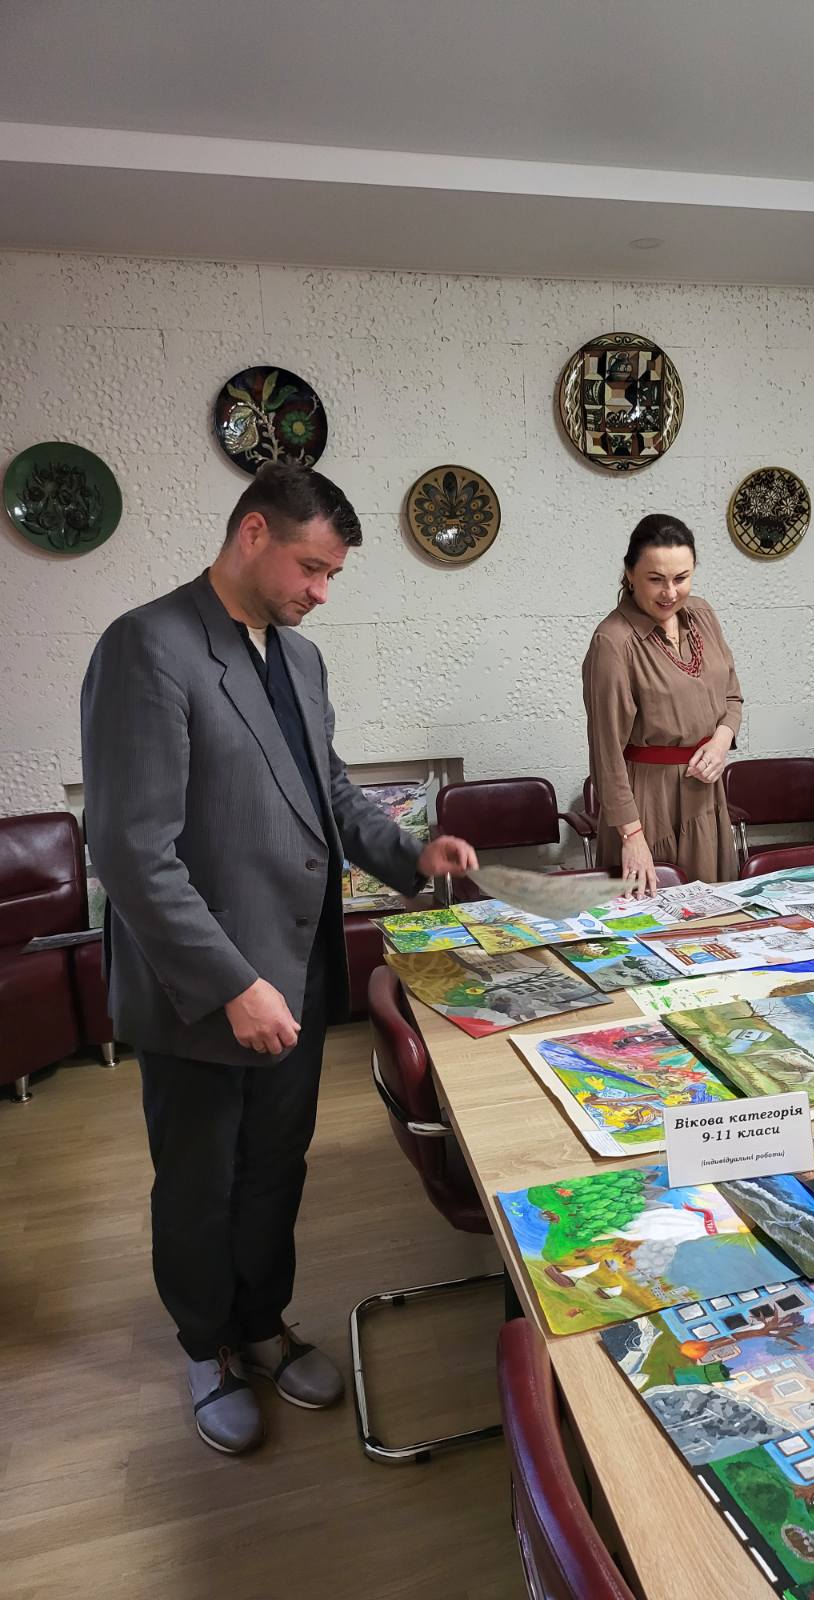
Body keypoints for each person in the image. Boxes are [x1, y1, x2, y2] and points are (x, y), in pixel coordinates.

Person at [80, 464, 477, 1456]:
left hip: (295, 970)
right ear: (252, 533)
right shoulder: (149, 645)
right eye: (312, 567)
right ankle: (206, 1346)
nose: (321, 592)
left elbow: (328, 791)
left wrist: (409, 854)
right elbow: (131, 849)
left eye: (333, 574)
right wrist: (230, 983)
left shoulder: (299, 660)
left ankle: (263, 1321)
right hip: (204, 987)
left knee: (274, 1169)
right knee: (200, 1181)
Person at [582, 514, 743, 894]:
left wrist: (721, 741)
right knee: (653, 916)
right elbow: (606, 753)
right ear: (630, 574)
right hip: (647, 804)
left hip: (707, 794)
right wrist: (631, 835)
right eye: (656, 579)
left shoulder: (702, 615)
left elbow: (732, 696)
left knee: (714, 912)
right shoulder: (613, 642)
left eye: (681, 578)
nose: (670, 592)